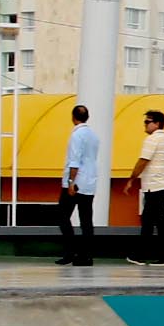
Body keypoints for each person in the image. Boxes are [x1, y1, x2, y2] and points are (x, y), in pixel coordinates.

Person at [133, 108, 164, 265]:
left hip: (154, 187)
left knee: (152, 221)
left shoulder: (153, 140)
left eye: (147, 122)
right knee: (156, 221)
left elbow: (143, 160)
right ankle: (154, 255)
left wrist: (131, 178)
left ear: (157, 124)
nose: (145, 125)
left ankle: (152, 255)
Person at [57, 102, 104, 265]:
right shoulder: (93, 136)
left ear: (73, 117)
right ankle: (86, 255)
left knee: (62, 216)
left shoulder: (77, 135)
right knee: (86, 220)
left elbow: (74, 160)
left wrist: (70, 182)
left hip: (76, 182)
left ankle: (70, 252)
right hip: (90, 182)